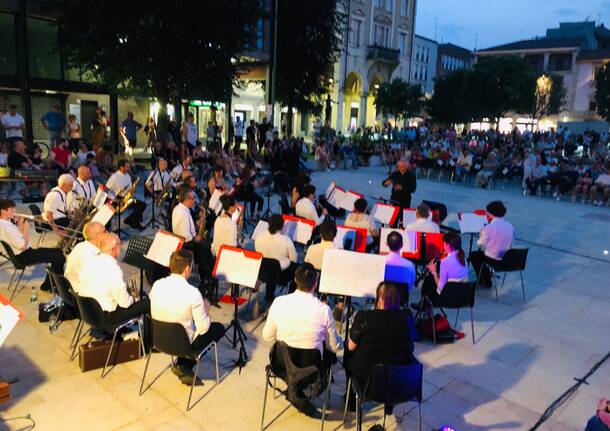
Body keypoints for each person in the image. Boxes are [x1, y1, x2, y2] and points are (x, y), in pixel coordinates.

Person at [262, 263, 343, 416]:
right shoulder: (324, 310)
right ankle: (300, 392)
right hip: (311, 371)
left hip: (282, 366)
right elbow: (335, 346)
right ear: (316, 284)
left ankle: (293, 389)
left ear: (295, 280)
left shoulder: (279, 302)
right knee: (330, 356)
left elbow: (267, 336)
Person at [149, 249, 225, 386]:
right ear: (187, 269)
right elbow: (204, 328)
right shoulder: (193, 293)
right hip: (182, 345)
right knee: (218, 328)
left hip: (158, 339)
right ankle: (185, 364)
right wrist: (206, 309)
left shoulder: (157, 285)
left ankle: (183, 364)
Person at [346, 282, 416, 408]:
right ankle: (389, 403)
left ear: (380, 300)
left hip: (369, 383)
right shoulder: (407, 317)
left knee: (348, 354)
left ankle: (352, 400)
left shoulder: (365, 317)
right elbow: (411, 347)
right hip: (400, 382)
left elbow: (350, 347)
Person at [79, 233, 150, 323]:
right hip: (106, 316)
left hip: (87, 311)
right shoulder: (113, 269)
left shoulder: (89, 260)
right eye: (120, 243)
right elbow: (125, 304)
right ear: (113, 249)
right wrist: (134, 298)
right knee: (147, 303)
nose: (121, 246)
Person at [0, 198, 65, 292]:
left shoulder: (5, 224)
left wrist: (21, 227)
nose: (15, 211)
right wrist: (26, 230)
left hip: (23, 253)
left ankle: (48, 285)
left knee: (58, 251)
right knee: (59, 257)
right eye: (12, 209)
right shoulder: (6, 227)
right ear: (3, 211)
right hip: (24, 256)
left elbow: (19, 240)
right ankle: (58, 287)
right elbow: (22, 245)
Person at [172, 186, 215, 292]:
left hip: (182, 240)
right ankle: (205, 277)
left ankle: (205, 273)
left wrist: (196, 224)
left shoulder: (180, 208)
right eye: (192, 198)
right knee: (206, 247)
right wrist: (197, 238)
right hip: (185, 244)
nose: (194, 200)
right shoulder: (183, 213)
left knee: (206, 244)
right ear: (186, 199)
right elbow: (187, 237)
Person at [469, 201, 514, 287]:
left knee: (474, 255)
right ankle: (487, 276)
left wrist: (481, 234)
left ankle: (484, 280)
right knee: (481, 254)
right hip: (506, 258)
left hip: (494, 259)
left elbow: (479, 244)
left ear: (491, 213)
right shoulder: (510, 226)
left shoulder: (489, 228)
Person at [255, 214, 298, 301]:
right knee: (296, 267)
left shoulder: (259, 236)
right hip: (279, 276)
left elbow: (257, 252)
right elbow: (294, 259)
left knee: (271, 264)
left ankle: (269, 295)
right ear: (282, 227)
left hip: (262, 271)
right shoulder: (286, 240)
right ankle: (291, 297)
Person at [421, 232, 469, 304]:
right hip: (461, 295)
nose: (443, 246)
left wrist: (434, 272)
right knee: (430, 279)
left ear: (448, 245)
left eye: (444, 243)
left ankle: (424, 305)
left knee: (429, 279)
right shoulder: (463, 258)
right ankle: (425, 305)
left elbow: (440, 289)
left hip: (449, 298)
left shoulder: (445, 262)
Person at [64, 221, 105, 293]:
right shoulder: (95, 256)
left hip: (69, 286)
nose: (108, 233)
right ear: (97, 236)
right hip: (81, 294)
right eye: (105, 231)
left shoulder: (79, 246)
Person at [106, 159, 146, 230]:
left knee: (142, 205)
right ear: (121, 167)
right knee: (109, 214)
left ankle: (131, 221)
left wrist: (133, 190)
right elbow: (107, 189)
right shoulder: (114, 177)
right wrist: (115, 199)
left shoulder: (127, 176)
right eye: (127, 167)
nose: (129, 168)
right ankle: (108, 229)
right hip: (115, 200)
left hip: (125, 198)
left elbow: (130, 189)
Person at [383, 231, 415, 305]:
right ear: (402, 245)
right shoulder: (410, 265)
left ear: (386, 244)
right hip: (401, 300)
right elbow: (410, 287)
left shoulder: (380, 262)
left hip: (383, 298)